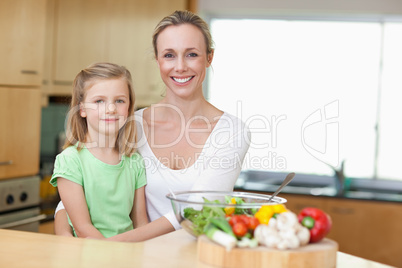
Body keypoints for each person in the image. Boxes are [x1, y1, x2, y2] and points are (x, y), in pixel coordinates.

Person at [54, 10, 251, 242]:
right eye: (169, 55)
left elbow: (197, 210)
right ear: (157, 59)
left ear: (209, 58)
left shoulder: (233, 132)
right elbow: (86, 186)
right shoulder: (130, 125)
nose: (180, 67)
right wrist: (64, 235)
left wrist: (108, 246)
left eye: (192, 54)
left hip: (196, 257)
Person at [50, 62, 148, 238]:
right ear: (82, 109)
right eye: (99, 101)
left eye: (119, 101)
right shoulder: (70, 160)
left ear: (129, 107)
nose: (111, 109)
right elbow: (83, 228)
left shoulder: (134, 161)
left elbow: (141, 223)